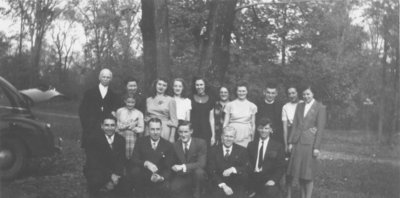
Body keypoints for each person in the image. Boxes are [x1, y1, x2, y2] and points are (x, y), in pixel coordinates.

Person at [287, 85, 326, 198]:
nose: (306, 96)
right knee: (300, 172)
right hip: (297, 142)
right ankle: (302, 195)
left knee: (308, 173)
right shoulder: (300, 105)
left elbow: (320, 128)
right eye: (304, 94)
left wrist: (316, 147)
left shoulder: (320, 107)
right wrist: (290, 142)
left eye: (308, 94)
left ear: (313, 94)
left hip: (310, 143)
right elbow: (295, 124)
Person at [128, 118, 175, 198]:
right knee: (135, 172)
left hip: (159, 177)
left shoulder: (168, 145)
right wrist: (145, 163)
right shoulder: (140, 141)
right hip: (143, 176)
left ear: (161, 129)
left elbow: (168, 166)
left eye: (158, 129)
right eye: (152, 129)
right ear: (148, 129)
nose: (155, 132)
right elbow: (134, 159)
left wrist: (161, 177)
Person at [83, 116, 126, 197]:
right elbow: (93, 162)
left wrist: (116, 176)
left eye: (112, 125)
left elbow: (121, 160)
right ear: (102, 126)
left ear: (116, 126)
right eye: (107, 125)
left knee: (126, 185)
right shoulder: (93, 139)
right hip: (98, 170)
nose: (109, 128)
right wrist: (110, 176)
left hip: (115, 172)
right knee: (96, 182)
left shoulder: (121, 140)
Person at [79, 68, 120, 148]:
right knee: (91, 157)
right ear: (99, 77)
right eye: (104, 77)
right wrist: (87, 126)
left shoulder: (114, 95)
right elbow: (82, 111)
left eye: (108, 77)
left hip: (107, 133)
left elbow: (115, 113)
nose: (105, 79)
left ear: (111, 79)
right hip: (90, 131)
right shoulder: (89, 93)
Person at [247, 118, 285, 198]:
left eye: (266, 128)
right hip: (253, 178)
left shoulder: (278, 146)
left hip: (268, 178)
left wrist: (273, 180)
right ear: (257, 129)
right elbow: (247, 164)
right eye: (261, 128)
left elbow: (280, 167)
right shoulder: (251, 145)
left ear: (271, 130)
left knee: (271, 192)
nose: (263, 131)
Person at [208, 127, 250, 198]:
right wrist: (223, 185)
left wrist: (233, 169)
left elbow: (247, 167)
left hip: (236, 184)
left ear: (234, 138)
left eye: (231, 136)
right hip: (218, 183)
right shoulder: (213, 150)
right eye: (226, 136)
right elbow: (211, 170)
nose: (228, 139)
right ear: (222, 136)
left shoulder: (242, 150)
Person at [170, 120, 207, 198]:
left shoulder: (200, 143)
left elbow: (201, 163)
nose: (183, 135)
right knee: (173, 188)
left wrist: (183, 166)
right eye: (180, 132)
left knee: (199, 173)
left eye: (186, 132)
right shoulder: (175, 145)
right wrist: (173, 166)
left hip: (196, 175)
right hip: (182, 175)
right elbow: (172, 162)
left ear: (191, 131)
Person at [223, 82, 257, 147]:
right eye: (239, 91)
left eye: (243, 91)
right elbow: (225, 123)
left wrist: (252, 138)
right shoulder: (229, 105)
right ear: (236, 92)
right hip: (232, 134)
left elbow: (253, 124)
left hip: (246, 135)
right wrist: (224, 135)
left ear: (247, 92)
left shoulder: (252, 106)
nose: (241, 93)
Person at [145, 78, 178, 142]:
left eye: (164, 85)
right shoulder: (148, 100)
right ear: (155, 85)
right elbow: (146, 117)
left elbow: (174, 120)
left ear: (167, 87)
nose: (161, 87)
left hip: (163, 128)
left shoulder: (170, 100)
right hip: (150, 128)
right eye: (159, 84)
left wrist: (172, 137)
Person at [116, 94, 144, 159]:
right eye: (128, 102)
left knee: (132, 154)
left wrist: (133, 128)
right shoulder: (120, 111)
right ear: (125, 101)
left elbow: (141, 128)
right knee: (120, 153)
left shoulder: (138, 113)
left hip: (132, 137)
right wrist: (125, 126)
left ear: (135, 102)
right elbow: (117, 125)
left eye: (132, 102)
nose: (130, 104)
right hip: (121, 135)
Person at [190, 77, 214, 145]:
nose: (199, 87)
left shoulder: (211, 99)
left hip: (206, 131)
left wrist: (213, 136)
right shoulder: (190, 98)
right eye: (197, 85)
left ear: (205, 85)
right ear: (194, 86)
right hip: (193, 131)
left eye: (201, 84)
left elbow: (212, 119)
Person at [282, 86, 302, 153]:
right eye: (289, 93)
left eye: (293, 93)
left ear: (297, 93)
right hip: (291, 134)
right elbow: (285, 128)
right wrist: (285, 145)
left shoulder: (303, 104)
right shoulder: (286, 107)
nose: (291, 95)